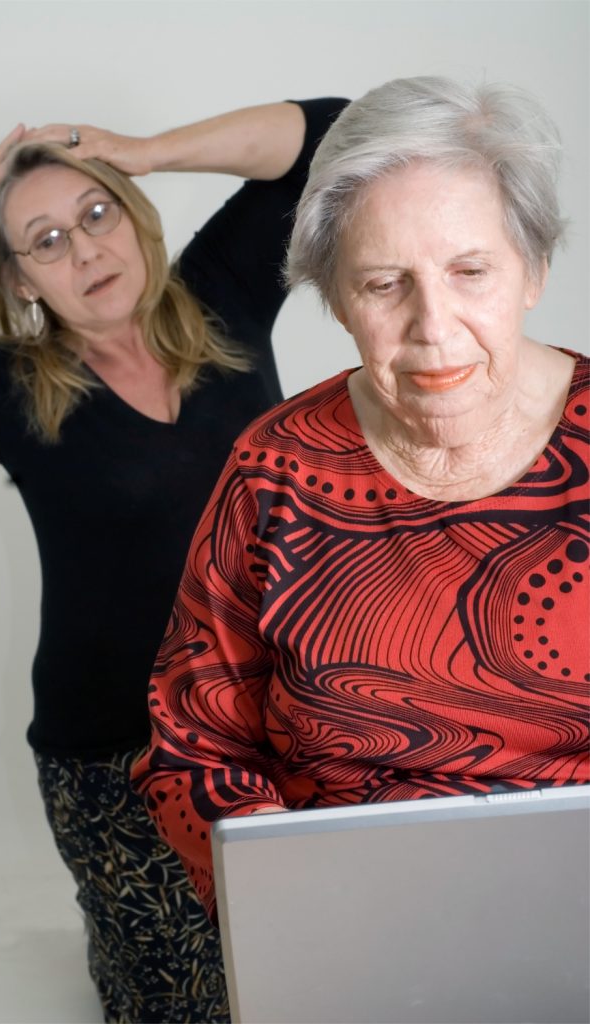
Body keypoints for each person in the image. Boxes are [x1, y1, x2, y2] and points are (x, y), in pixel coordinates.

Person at [0, 96, 348, 1023]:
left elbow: (331, 130)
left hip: (277, 718)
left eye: (97, 214)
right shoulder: (8, 386)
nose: (86, 251)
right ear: (24, 281)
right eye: (47, 241)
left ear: (131, 214)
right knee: (183, 1003)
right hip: (117, 752)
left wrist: (144, 150)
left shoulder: (218, 298)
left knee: (307, 964)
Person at [132, 76, 590, 920]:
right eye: (384, 284)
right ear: (336, 299)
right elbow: (196, 744)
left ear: (534, 269)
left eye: (470, 271)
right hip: (345, 910)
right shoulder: (274, 470)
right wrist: (292, 897)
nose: (433, 325)